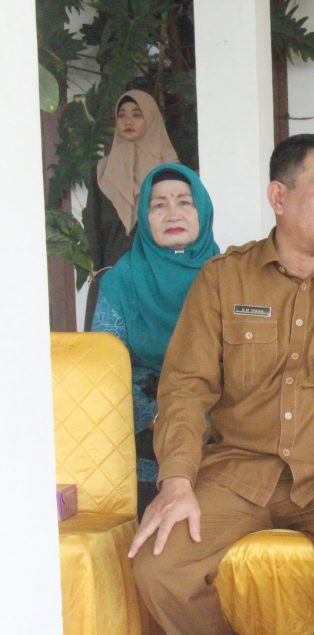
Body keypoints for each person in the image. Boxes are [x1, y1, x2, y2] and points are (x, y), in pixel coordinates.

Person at [130, 134, 314, 635]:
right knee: (159, 566)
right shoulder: (223, 278)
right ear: (279, 197)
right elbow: (184, 388)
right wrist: (177, 480)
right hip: (237, 473)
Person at [90, 163, 219, 517]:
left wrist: (203, 415)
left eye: (184, 202)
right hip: (143, 429)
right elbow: (104, 372)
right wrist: (154, 414)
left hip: (218, 428)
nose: (172, 213)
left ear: (202, 210)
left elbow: (247, 362)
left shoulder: (228, 275)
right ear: (144, 218)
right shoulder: (121, 281)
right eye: (158, 204)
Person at [84, 90, 178, 327]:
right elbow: (93, 228)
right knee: (107, 347)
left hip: (157, 279)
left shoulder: (171, 172)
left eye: (137, 114)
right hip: (112, 279)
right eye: (122, 115)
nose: (128, 121)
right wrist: (96, 272)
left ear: (151, 118)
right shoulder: (101, 172)